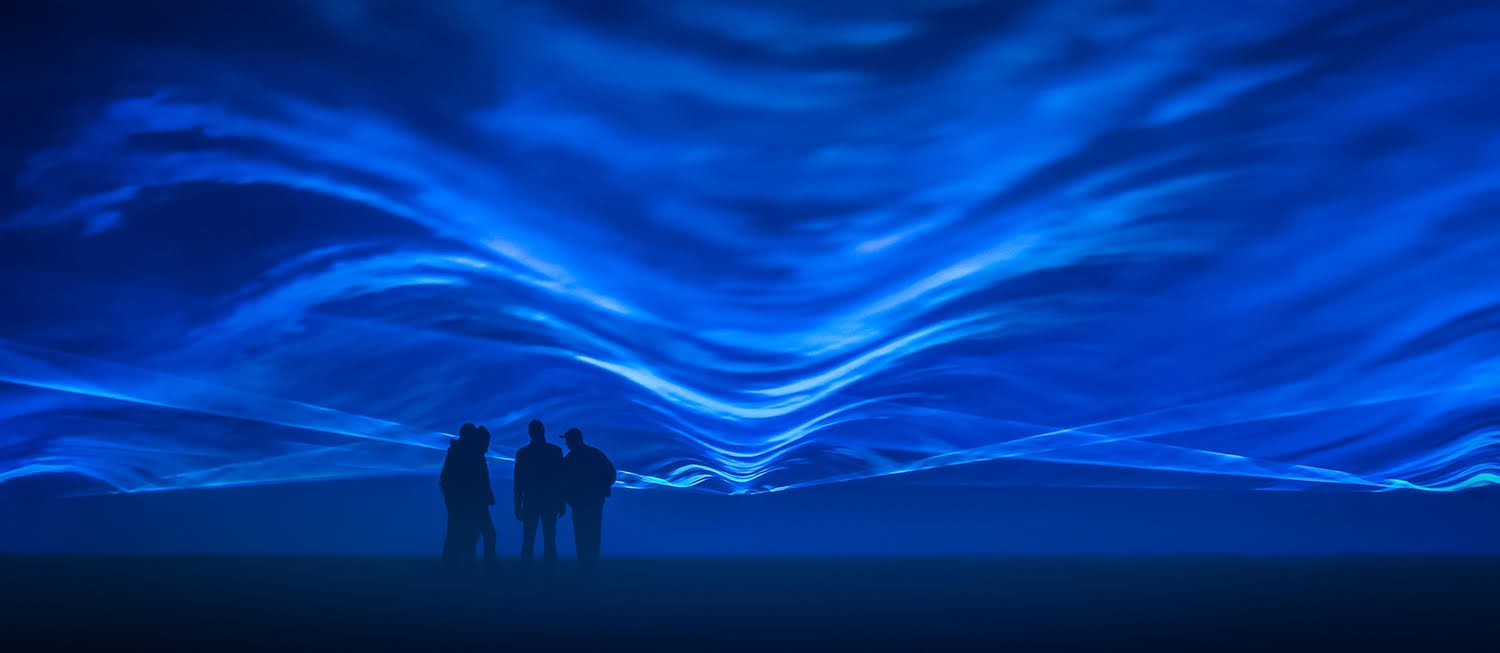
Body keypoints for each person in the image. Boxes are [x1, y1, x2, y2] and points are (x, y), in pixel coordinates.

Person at [439, 423, 496, 568]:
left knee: (463, 534)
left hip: (467, 502)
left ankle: (457, 565)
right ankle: (479, 566)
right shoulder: (469, 455)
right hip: (470, 502)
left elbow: (445, 480)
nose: (487, 448)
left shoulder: (464, 454)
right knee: (479, 533)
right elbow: (447, 480)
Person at [560, 428, 616, 570]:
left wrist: (567, 496)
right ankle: (592, 563)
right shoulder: (595, 454)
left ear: (574, 440)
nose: (566, 443)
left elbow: (562, 480)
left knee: (581, 532)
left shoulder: (570, 458)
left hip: (579, 502)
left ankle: (584, 563)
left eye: (568, 440)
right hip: (594, 500)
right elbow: (611, 473)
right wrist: (602, 490)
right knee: (593, 531)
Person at [514, 419, 566, 568]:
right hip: (548, 500)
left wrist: (517, 505)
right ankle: (549, 571)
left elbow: (518, 483)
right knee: (548, 538)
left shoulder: (523, 453)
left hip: (532, 501)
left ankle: (527, 570)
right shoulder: (555, 451)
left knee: (530, 538)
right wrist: (561, 502)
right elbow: (560, 479)